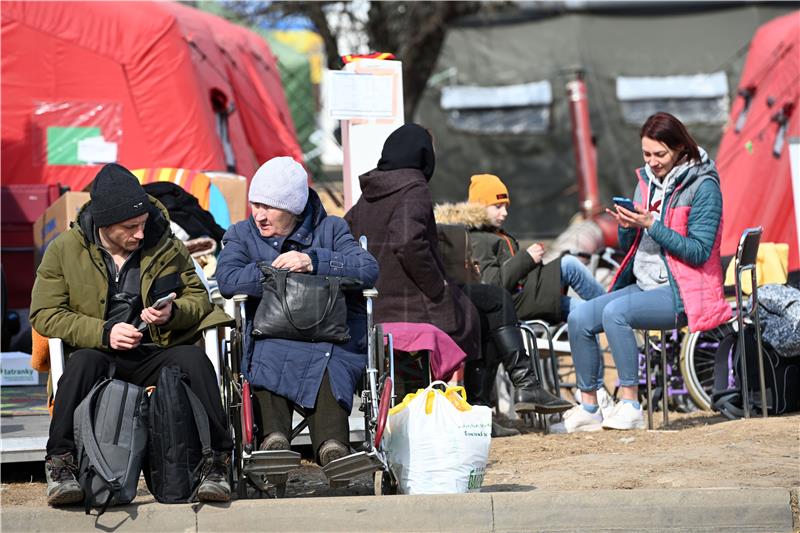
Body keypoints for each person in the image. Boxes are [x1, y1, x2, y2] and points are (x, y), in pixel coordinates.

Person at [344, 124, 571, 431]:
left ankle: (498, 399)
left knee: (489, 304)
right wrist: (438, 285)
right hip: (415, 302)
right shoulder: (414, 188)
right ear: (422, 155)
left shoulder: (368, 196)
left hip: (379, 302)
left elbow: (353, 237)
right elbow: (408, 242)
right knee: (489, 305)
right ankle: (489, 403)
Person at [30, 163, 234, 506]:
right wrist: (103, 331)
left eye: (142, 224)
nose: (140, 233)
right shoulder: (64, 251)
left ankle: (218, 463)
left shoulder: (165, 244)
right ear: (105, 224)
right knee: (78, 367)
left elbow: (198, 298)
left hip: (156, 348)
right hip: (99, 350)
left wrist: (172, 313)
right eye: (130, 227)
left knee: (196, 360)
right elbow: (45, 314)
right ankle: (60, 464)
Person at [562, 112, 731, 432]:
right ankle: (590, 407)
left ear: (681, 148)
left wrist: (653, 224)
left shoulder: (704, 186)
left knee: (615, 313)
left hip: (683, 290)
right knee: (580, 317)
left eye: (660, 154)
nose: (652, 162)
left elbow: (698, 251)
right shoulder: (646, 184)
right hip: (643, 283)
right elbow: (632, 245)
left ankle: (630, 404)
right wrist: (628, 227)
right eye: (646, 154)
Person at [215, 157, 378, 471]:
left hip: (330, 336)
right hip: (271, 334)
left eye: (269, 207)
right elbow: (228, 279)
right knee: (265, 358)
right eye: (255, 205)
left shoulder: (330, 229)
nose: (259, 216)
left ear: (293, 207)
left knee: (330, 362)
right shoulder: (242, 234)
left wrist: (313, 261)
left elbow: (368, 269)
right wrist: (277, 276)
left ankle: (333, 448)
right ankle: (273, 443)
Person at [436, 173, 605, 324]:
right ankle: (612, 313)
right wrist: (527, 258)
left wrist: (533, 261)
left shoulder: (494, 234)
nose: (505, 213)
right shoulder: (478, 240)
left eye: (505, 206)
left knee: (569, 264)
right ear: (479, 207)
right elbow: (492, 286)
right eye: (498, 206)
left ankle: (611, 308)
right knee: (584, 311)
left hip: (526, 294)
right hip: (515, 304)